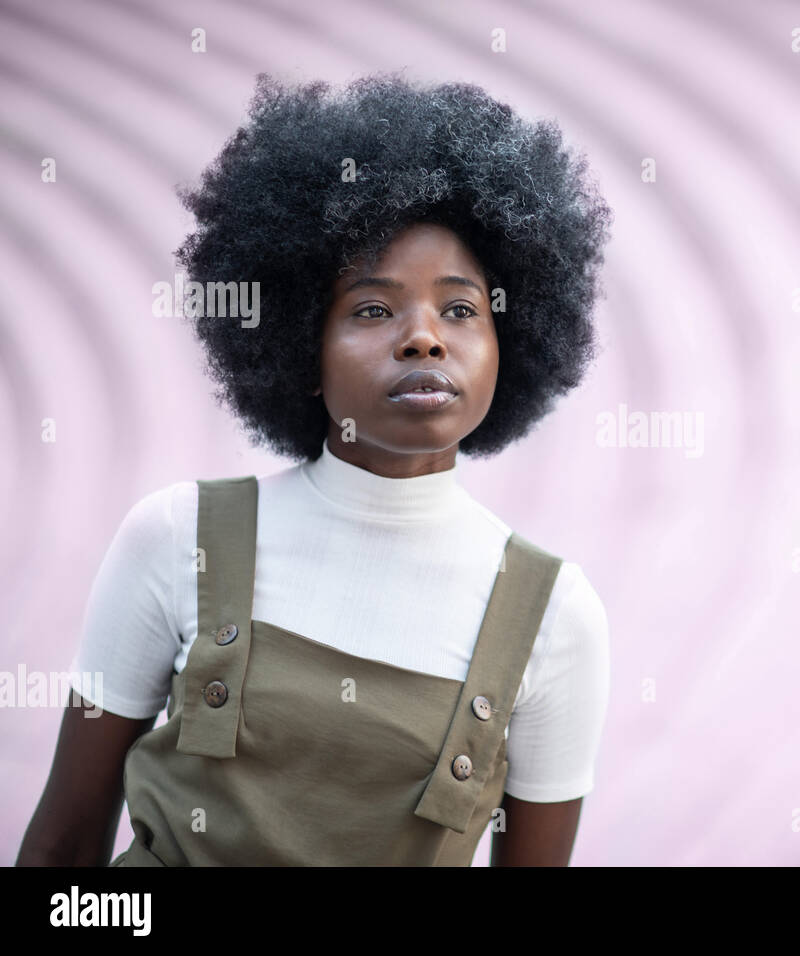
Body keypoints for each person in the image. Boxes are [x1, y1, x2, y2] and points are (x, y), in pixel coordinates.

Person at [16, 71, 614, 867]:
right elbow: (62, 846)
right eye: (373, 309)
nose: (424, 338)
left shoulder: (553, 616)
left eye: (461, 309)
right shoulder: (176, 538)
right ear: (301, 346)